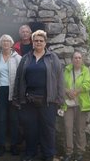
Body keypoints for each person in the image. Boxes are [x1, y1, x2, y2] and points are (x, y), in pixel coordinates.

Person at [13, 30, 65, 161]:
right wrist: (17, 98)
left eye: (41, 40)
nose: (38, 43)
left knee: (48, 129)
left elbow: (60, 79)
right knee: (30, 129)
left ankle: (48, 154)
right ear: (32, 42)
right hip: (28, 100)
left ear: (45, 42)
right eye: (36, 40)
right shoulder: (26, 58)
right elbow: (19, 78)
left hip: (48, 100)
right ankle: (31, 153)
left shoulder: (53, 58)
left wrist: (59, 99)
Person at [62, 51, 90, 161]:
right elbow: (61, 83)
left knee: (80, 129)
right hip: (68, 104)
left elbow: (88, 84)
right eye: (75, 57)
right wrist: (67, 91)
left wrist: (77, 91)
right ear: (72, 59)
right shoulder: (66, 70)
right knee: (68, 128)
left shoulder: (85, 70)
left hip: (81, 105)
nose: (77, 59)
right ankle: (69, 152)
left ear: (82, 60)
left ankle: (80, 152)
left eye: (79, 58)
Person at [0, 34, 22, 157]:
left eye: (8, 41)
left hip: (13, 92)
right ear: (0, 43)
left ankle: (14, 145)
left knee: (14, 119)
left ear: (11, 43)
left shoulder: (18, 58)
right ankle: (1, 145)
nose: (6, 43)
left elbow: (21, 77)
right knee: (1, 119)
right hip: (0, 91)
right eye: (3, 41)